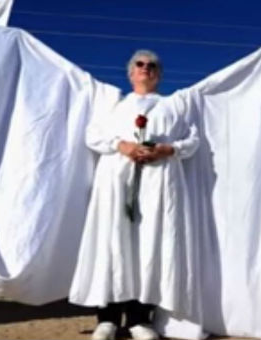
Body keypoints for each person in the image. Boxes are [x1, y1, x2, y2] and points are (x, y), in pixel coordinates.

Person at [69, 50, 200, 340]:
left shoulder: (173, 106)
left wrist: (167, 149)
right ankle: (108, 319)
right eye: (139, 65)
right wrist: (122, 145)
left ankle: (140, 318)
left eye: (152, 66)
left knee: (150, 244)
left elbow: (192, 140)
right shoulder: (114, 106)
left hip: (158, 182)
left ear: (159, 74)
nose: (146, 68)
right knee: (114, 242)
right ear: (130, 73)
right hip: (117, 181)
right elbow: (93, 135)